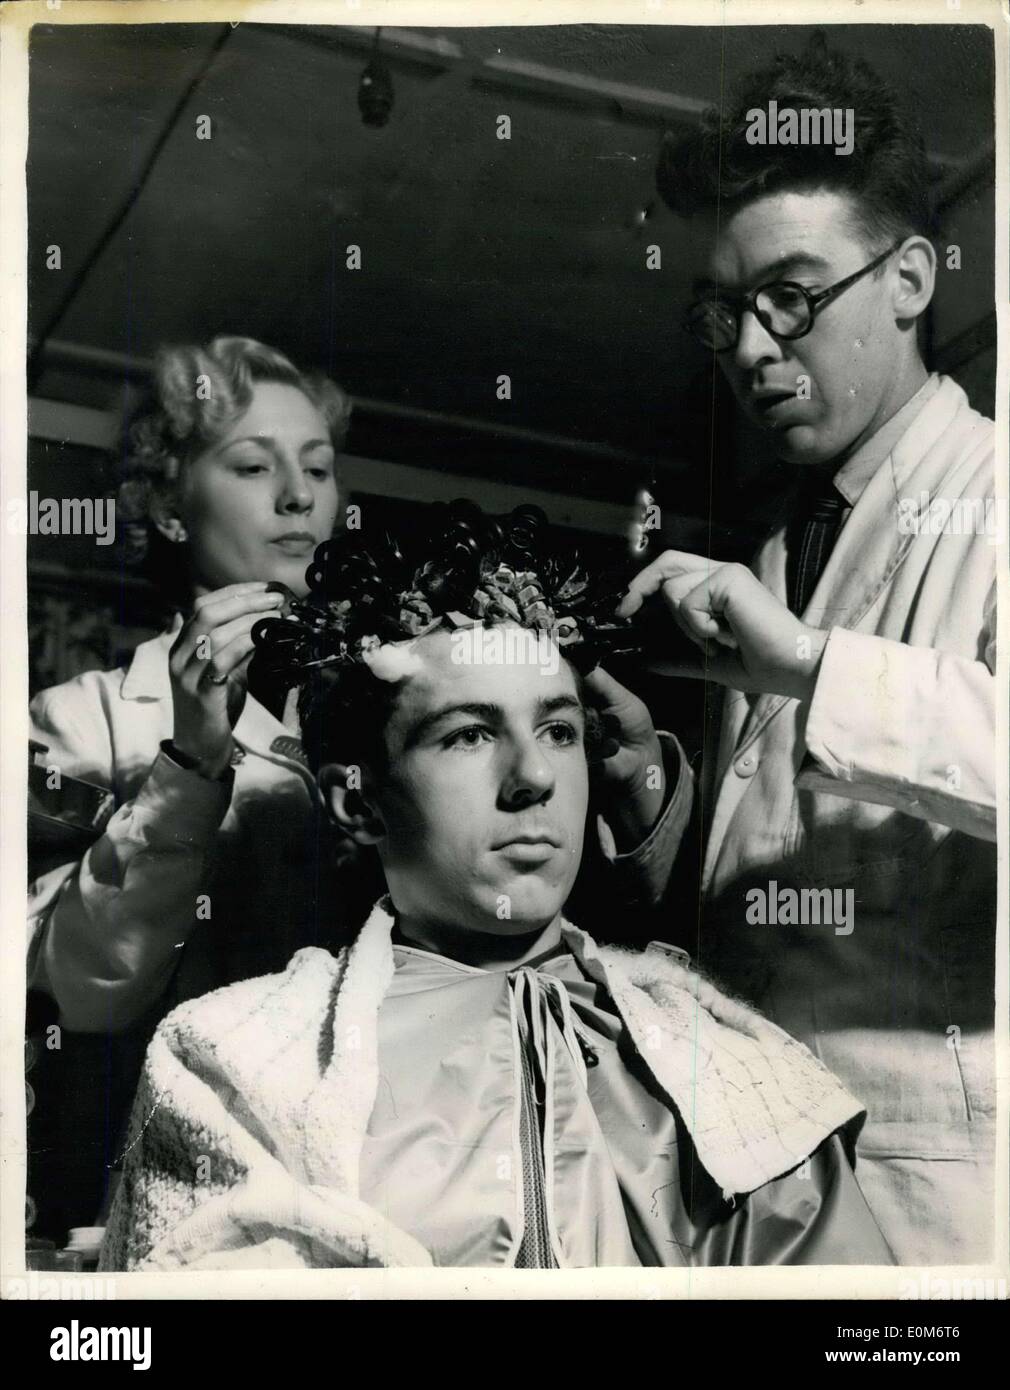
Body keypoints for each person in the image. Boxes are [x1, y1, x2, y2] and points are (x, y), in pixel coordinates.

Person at [98, 504, 893, 1270]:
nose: (534, 778)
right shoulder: (234, 1064)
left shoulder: (731, 1073)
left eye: (557, 730)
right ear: (357, 801)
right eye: (469, 734)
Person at [25, 337, 689, 1236]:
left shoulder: (406, 688)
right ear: (167, 509)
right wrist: (190, 766)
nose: (299, 496)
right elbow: (87, 991)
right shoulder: (86, 723)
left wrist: (631, 783)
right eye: (254, 465)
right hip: (200, 1176)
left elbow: (547, 932)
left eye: (319, 467)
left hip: (415, 1165)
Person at [624, 40, 997, 1264]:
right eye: (722, 311)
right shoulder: (783, 544)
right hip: (765, 1175)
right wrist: (659, 800)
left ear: (907, 280)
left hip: (932, 1188)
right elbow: (779, 867)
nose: (745, 347)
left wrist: (808, 670)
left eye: (790, 295)